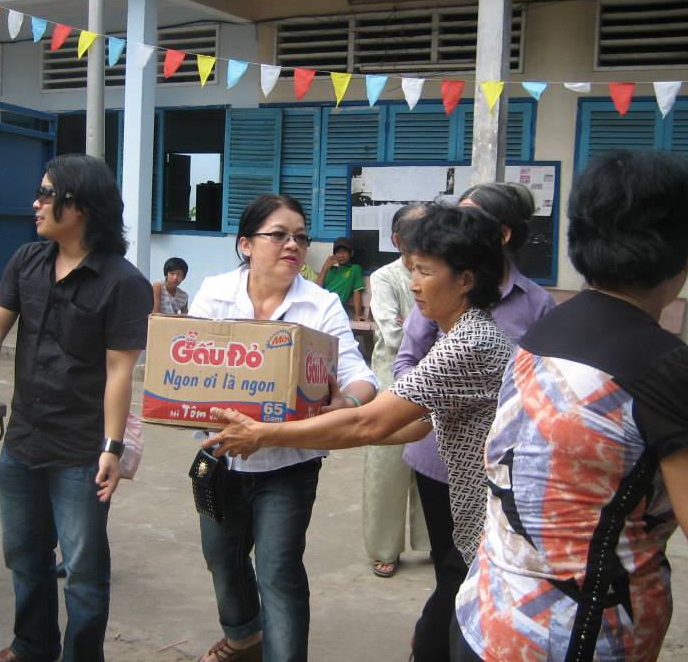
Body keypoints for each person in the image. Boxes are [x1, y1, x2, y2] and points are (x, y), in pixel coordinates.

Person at [455, 150, 688, 662]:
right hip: (573, 640)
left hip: (483, 620)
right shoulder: (672, 369)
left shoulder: (546, 329)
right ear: (687, 249)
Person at [203, 204, 514, 656]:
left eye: (424, 272)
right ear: (245, 245)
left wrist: (268, 434)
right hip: (481, 530)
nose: (413, 284)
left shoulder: (467, 344)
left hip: (495, 529)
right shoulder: (457, 335)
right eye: (412, 269)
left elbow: (368, 421)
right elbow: (414, 426)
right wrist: (319, 430)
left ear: (465, 280)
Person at [0, 154, 152, 662]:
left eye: (47, 194)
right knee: (25, 556)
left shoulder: (123, 282)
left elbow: (119, 371)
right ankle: (32, 648)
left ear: (81, 205)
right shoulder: (27, 260)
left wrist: (111, 447)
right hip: (24, 440)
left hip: (81, 452)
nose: (36, 203)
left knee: (84, 573)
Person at [189, 193, 377, 662]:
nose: (293, 245)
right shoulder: (215, 293)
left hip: (291, 464)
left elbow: (360, 376)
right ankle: (244, 637)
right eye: (279, 235)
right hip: (222, 455)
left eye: (300, 237)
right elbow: (187, 363)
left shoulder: (321, 305)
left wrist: (348, 401)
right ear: (246, 244)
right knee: (222, 559)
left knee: (277, 570)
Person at [396, 182, 555, 662]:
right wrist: (418, 399)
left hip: (492, 471)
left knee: (463, 572)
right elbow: (407, 365)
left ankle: (435, 640)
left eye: (468, 217)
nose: (415, 282)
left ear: (500, 234)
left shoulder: (515, 312)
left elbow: (368, 424)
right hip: (434, 453)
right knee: (454, 568)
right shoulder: (441, 300)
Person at [363, 204, 429, 579]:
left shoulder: (443, 271)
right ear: (396, 240)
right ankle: (384, 548)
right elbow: (391, 333)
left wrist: (417, 329)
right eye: (416, 234)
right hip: (392, 384)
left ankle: (432, 541)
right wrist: (434, 334)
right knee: (386, 468)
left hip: (436, 382)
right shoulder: (385, 277)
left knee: (432, 466)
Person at [318, 236, 364, 319]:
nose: (341, 255)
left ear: (351, 253)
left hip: (333, 309)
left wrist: (358, 314)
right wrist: (324, 268)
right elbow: (317, 290)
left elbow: (357, 292)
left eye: (344, 251)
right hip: (319, 305)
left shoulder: (354, 269)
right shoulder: (330, 270)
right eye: (338, 252)